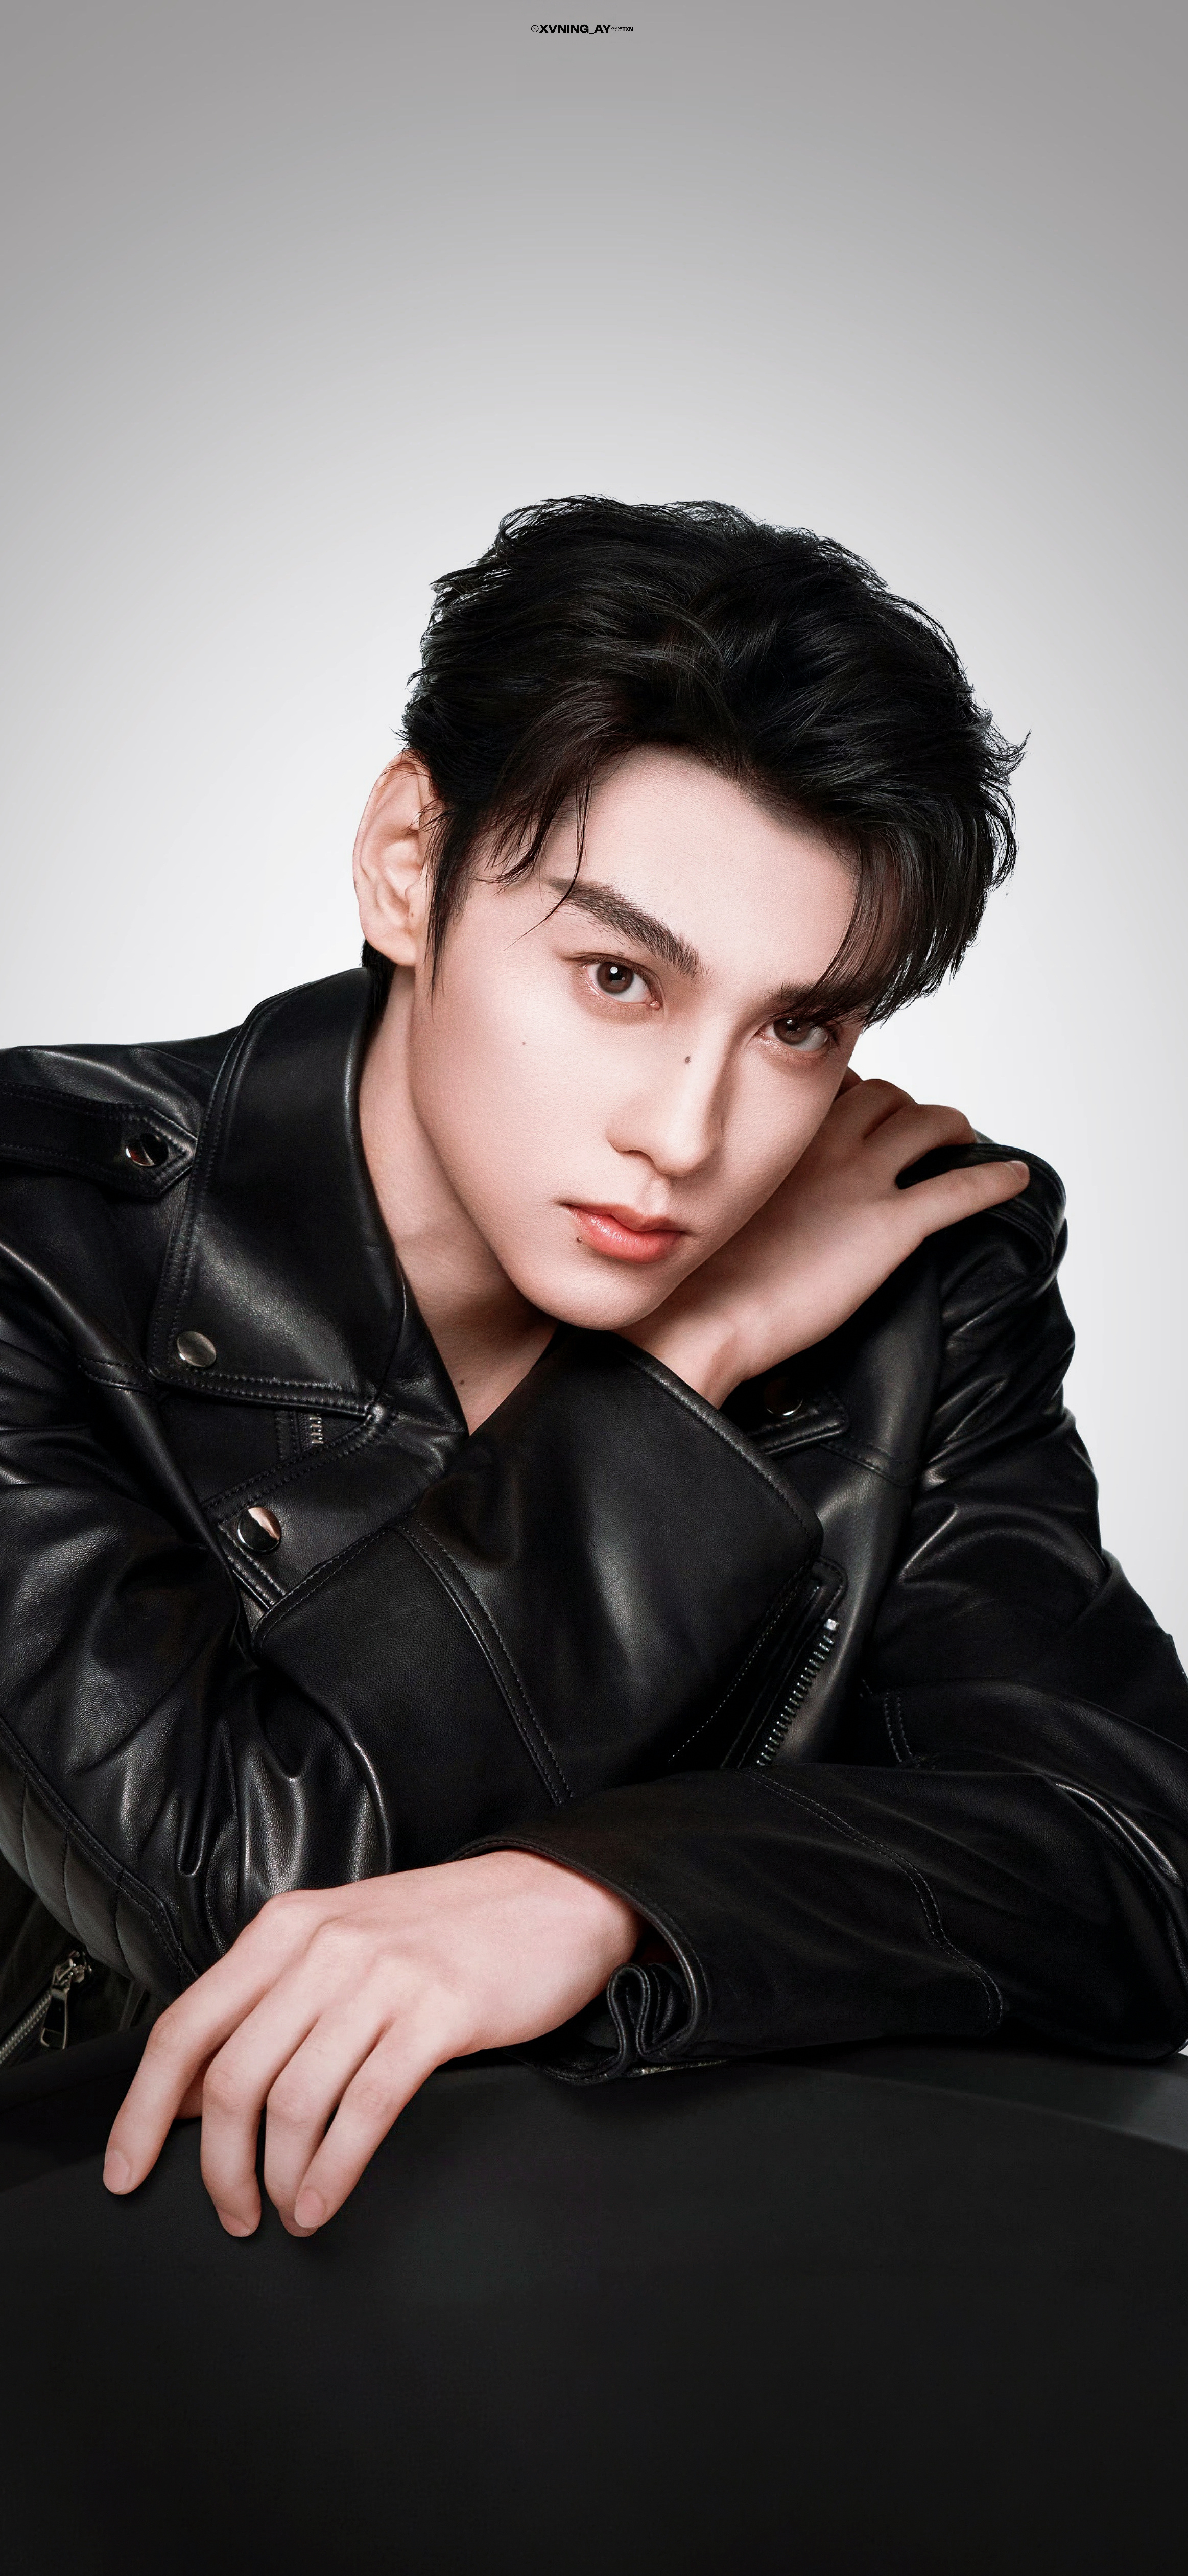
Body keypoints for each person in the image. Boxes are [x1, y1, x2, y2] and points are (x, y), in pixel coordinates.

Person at [1, 497, 1184, 2251]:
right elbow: (232, 1887)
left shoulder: (916, 1283)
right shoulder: (34, 1240)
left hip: (711, 2320)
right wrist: (684, 1363)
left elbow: (1128, 1862)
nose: (690, 1135)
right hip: (113, 2311)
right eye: (620, 975)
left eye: (799, 1024)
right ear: (408, 862)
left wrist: (603, 1895)